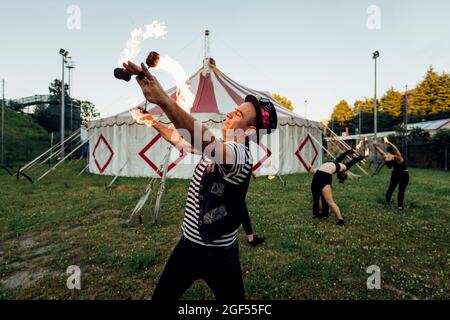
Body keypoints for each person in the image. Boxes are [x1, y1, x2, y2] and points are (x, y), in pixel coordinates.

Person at [124, 60, 277, 300]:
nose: (229, 113)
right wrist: (153, 122)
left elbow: (208, 144)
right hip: (188, 246)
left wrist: (165, 101)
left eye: (238, 114)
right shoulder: (221, 144)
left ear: (249, 130)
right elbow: (179, 138)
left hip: (220, 255)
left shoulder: (239, 156)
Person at [311, 149, 365, 226]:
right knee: (317, 198)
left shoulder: (344, 167)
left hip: (323, 176)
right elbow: (342, 156)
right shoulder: (337, 163)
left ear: (343, 173)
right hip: (318, 175)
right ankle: (320, 214)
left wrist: (361, 157)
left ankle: (340, 220)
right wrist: (350, 151)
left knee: (329, 201)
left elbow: (352, 161)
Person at [372, 138, 409, 210]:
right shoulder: (398, 158)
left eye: (389, 154)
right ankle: (395, 204)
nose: (387, 154)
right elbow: (395, 149)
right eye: (388, 155)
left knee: (398, 190)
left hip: (400, 174)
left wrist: (375, 145)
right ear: (392, 157)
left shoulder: (394, 158)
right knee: (394, 189)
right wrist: (388, 143)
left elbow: (380, 151)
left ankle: (397, 205)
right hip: (403, 174)